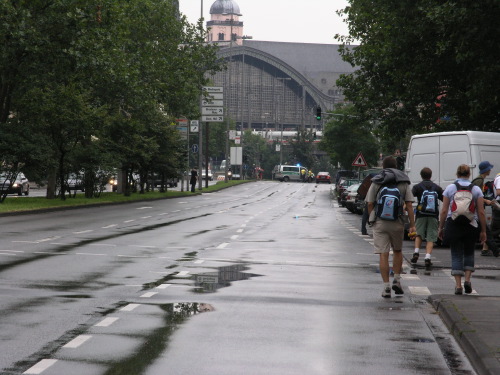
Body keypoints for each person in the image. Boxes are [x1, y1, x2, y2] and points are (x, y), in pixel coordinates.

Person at [366, 156, 416, 298]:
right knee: (398, 251)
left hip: (380, 222)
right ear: (396, 166)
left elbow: (369, 203)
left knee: (383, 253)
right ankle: (397, 280)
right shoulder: (403, 181)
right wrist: (412, 225)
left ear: (383, 166)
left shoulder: (376, 181)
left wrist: (372, 220)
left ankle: (386, 287)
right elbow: (410, 205)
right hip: (398, 221)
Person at [438, 164, 487, 295]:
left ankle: (458, 286)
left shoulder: (450, 188)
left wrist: (441, 227)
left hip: (453, 224)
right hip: (471, 225)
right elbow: (481, 212)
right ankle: (468, 280)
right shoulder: (476, 189)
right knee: (469, 252)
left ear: (457, 174)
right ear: (469, 174)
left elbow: (444, 210)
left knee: (456, 254)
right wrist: (483, 230)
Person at [411, 167, 443, 267]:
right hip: (433, 215)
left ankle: (416, 251)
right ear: (431, 175)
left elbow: (410, 198)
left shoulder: (417, 187)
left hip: (421, 214)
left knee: (419, 234)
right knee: (431, 237)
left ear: (421, 176)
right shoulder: (437, 188)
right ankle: (427, 257)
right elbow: (444, 199)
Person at [471, 161, 498, 256]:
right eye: (489, 168)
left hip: (476, 210)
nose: (490, 170)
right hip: (476, 210)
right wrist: (486, 201)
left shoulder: (479, 180)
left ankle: (490, 250)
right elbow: (476, 196)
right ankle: (496, 251)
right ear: (486, 170)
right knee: (486, 231)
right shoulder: (479, 181)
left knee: (485, 231)